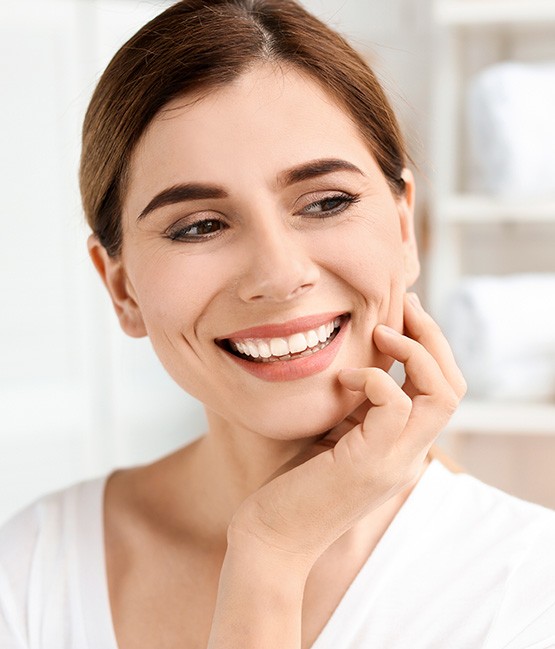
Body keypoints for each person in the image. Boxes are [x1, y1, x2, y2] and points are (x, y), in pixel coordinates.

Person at [1, 1, 555, 647]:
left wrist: (270, 552)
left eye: (325, 202)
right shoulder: (32, 573)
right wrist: (269, 557)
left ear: (403, 228)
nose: (278, 272)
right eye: (199, 225)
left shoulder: (527, 588)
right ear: (120, 287)